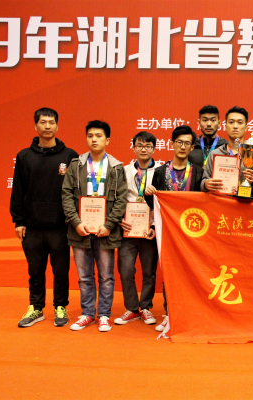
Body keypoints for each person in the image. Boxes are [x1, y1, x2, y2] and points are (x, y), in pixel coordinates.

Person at [11, 107, 78, 328]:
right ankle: (36, 308)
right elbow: (18, 191)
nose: (47, 126)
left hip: (60, 226)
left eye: (51, 122)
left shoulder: (70, 156)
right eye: (43, 122)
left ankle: (60, 307)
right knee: (35, 271)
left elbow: (77, 191)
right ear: (35, 126)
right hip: (32, 227)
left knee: (61, 271)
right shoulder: (24, 156)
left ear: (57, 126)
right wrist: (19, 221)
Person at [61, 120, 127, 332]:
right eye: (90, 136)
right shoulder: (76, 165)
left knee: (106, 276)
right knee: (84, 277)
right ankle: (87, 314)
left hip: (105, 231)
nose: (94, 139)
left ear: (108, 140)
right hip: (80, 229)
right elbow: (66, 195)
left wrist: (109, 225)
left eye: (99, 136)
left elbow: (121, 199)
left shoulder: (116, 167)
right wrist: (76, 222)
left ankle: (104, 315)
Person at [145, 125, 204, 332]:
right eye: (179, 142)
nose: (183, 146)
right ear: (172, 144)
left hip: (191, 231)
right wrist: (148, 193)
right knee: (170, 272)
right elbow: (152, 203)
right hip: (167, 230)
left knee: (190, 273)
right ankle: (169, 313)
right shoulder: (160, 172)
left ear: (192, 147)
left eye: (187, 143)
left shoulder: (198, 172)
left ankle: (188, 313)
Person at [114, 131, 162, 327]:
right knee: (125, 269)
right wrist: (118, 219)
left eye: (148, 146)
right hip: (128, 229)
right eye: (140, 145)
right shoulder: (123, 171)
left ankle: (146, 307)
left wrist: (154, 226)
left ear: (154, 149)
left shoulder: (161, 171)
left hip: (149, 229)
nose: (144, 149)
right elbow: (115, 198)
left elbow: (163, 201)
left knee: (149, 271)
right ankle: (132, 308)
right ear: (133, 147)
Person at [201, 106, 253, 192]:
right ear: (225, 126)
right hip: (219, 199)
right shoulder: (215, 153)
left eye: (240, 122)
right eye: (231, 122)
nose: (235, 126)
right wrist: (205, 184)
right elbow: (204, 181)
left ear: (246, 127)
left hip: (243, 199)